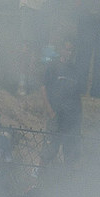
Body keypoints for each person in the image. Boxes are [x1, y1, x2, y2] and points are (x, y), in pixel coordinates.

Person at [40, 38, 83, 166]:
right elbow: (43, 88)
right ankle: (37, 178)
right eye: (67, 49)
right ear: (61, 50)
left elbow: (78, 96)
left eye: (71, 51)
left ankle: (66, 181)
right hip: (56, 115)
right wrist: (50, 111)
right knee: (49, 149)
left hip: (71, 118)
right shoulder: (52, 67)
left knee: (70, 152)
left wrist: (79, 117)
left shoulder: (75, 70)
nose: (69, 53)